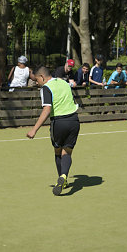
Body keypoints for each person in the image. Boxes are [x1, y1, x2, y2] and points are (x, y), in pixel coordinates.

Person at [26, 66, 80, 196]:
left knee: (57, 152)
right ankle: (63, 177)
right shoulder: (63, 82)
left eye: (37, 80)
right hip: (74, 121)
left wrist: (34, 130)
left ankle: (61, 178)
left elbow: (47, 110)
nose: (37, 83)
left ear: (42, 77)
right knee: (67, 152)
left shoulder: (46, 88)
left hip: (59, 123)